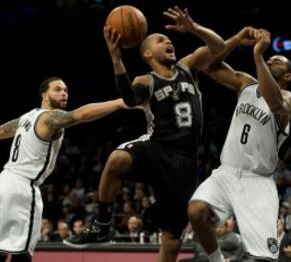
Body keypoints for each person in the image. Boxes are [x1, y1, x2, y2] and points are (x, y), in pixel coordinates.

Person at [63, 6, 224, 262]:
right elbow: (128, 98)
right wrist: (116, 60)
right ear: (148, 53)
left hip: (185, 162)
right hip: (156, 147)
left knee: (172, 240)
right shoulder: (145, 81)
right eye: (161, 40)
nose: (168, 41)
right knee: (117, 159)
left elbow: (218, 47)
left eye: (169, 39)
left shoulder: (187, 68)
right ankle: (103, 223)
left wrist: (193, 28)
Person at [0, 77, 127, 262]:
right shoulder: (50, 117)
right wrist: (120, 102)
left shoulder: (26, 117)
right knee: (22, 255)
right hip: (22, 187)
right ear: (44, 94)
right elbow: (80, 115)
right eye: (58, 89)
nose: (64, 93)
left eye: (66, 90)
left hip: (1, 183)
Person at [188, 26, 291, 261]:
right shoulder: (245, 84)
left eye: (277, 60)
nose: (271, 59)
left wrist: (258, 56)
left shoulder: (287, 98)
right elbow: (209, 66)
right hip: (226, 173)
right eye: (270, 58)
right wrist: (236, 38)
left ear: (289, 76)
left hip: (257, 180)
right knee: (196, 211)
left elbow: (276, 103)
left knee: (263, 258)